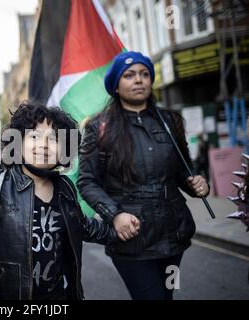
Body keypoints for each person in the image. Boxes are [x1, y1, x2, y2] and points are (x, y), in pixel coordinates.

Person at [0, 101, 122, 300]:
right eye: (34, 136)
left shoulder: (65, 188)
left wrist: (118, 230)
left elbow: (82, 225)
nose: (43, 145)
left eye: (53, 138)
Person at [77, 51, 210, 300]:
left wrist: (198, 183)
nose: (138, 80)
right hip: (132, 239)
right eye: (129, 75)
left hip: (174, 235)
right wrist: (114, 214)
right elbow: (87, 181)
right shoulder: (100, 127)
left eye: (144, 74)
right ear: (116, 86)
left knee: (167, 295)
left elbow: (182, 170)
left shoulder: (170, 121)